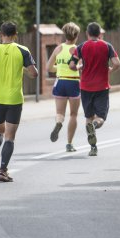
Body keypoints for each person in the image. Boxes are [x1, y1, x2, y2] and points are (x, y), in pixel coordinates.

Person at [0, 21, 38, 182]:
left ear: (0, 33)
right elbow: (34, 73)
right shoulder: (22, 50)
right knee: (10, 136)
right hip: (14, 99)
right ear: (15, 35)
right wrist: (23, 69)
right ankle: (3, 170)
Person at [69, 22, 120, 156]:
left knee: (88, 117)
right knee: (101, 117)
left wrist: (79, 68)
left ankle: (93, 147)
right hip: (102, 87)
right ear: (100, 34)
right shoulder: (107, 46)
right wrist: (110, 69)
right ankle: (95, 125)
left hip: (85, 87)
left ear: (87, 33)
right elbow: (117, 63)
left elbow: (72, 65)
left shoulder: (81, 47)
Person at [46, 22, 81, 152]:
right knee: (73, 115)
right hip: (73, 82)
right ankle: (69, 143)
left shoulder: (58, 48)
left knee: (60, 113)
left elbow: (48, 67)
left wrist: (60, 67)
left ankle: (58, 122)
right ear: (76, 35)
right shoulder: (77, 50)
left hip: (60, 82)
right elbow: (79, 66)